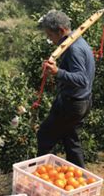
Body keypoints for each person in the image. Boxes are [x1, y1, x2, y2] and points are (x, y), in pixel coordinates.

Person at [36, 10, 95, 168]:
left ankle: (45, 177)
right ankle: (79, 176)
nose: (50, 40)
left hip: (72, 103)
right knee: (70, 139)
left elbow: (82, 79)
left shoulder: (74, 49)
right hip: (82, 101)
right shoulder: (77, 39)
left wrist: (57, 72)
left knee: (44, 136)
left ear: (61, 30)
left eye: (50, 36)